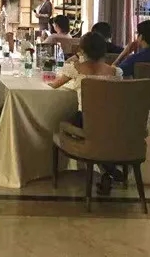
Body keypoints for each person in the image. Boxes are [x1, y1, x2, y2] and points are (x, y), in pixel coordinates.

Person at [48, 32, 124, 195]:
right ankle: (109, 170)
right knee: (100, 137)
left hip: (86, 120)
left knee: (62, 122)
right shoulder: (115, 72)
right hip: (111, 122)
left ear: (82, 50)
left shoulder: (76, 68)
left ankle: (104, 168)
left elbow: (54, 85)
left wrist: (75, 58)